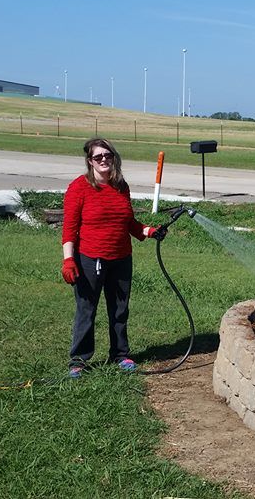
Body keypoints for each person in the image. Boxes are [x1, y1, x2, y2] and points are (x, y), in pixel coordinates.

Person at [61, 138, 162, 378]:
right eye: (98, 157)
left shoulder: (120, 186)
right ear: (90, 161)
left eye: (108, 155)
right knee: (87, 309)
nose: (104, 160)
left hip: (121, 258)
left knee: (119, 309)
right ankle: (79, 360)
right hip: (90, 259)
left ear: (114, 158)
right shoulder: (79, 188)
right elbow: (69, 229)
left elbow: (128, 223)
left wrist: (149, 231)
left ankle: (120, 354)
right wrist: (68, 260)